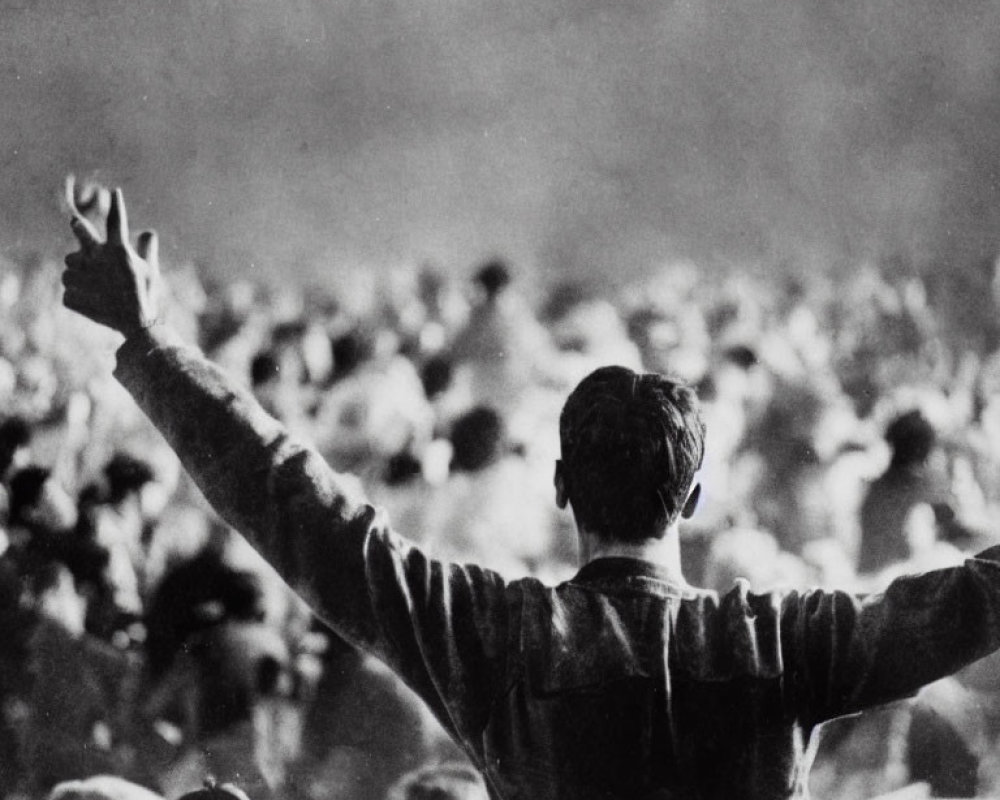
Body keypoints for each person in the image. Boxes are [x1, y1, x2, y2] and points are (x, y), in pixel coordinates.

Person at [60, 187, 1000, 800]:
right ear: (696, 497)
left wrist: (151, 344)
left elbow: (295, 504)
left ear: (560, 487)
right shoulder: (782, 642)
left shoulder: (494, 635)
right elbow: (970, 600)